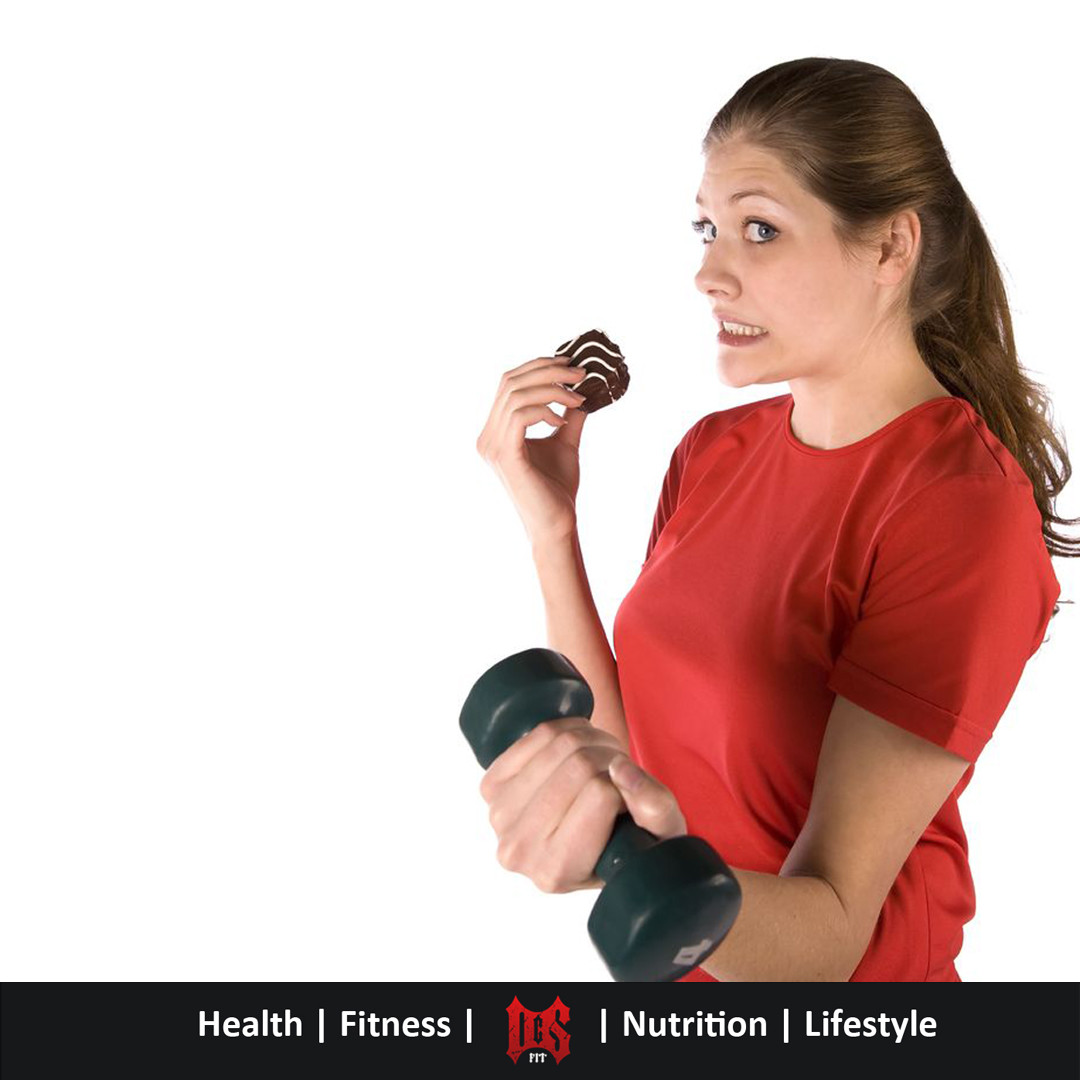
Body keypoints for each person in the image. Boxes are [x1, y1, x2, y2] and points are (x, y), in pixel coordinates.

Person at [473, 57, 1074, 981]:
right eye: (708, 228)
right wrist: (552, 527)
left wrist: (670, 864)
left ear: (889, 248)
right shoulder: (714, 454)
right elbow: (636, 765)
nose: (710, 272)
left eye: (760, 230)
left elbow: (829, 938)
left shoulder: (958, 509)